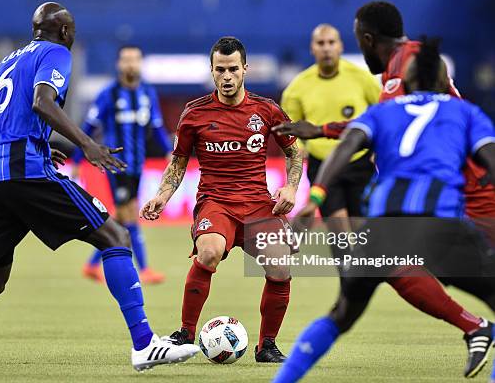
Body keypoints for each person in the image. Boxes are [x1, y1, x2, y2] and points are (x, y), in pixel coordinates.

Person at [0, 2, 199, 373]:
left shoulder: (5, 63)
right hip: (25, 170)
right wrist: (87, 144)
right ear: (66, 32)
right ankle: (144, 344)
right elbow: (42, 101)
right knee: (116, 236)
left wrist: (34, 143)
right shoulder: (56, 52)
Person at [275, 0, 495, 368]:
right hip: (447, 190)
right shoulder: (402, 63)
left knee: (376, 274)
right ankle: (474, 326)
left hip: (464, 192)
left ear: (365, 38)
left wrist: (315, 187)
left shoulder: (405, 64)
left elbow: (376, 124)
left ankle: (475, 326)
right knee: (384, 266)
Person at [140, 36, 303, 363]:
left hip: (259, 205)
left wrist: (291, 188)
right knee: (210, 252)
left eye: (232, 69)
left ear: (245, 69)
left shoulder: (267, 110)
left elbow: (293, 153)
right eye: (220, 70)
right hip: (216, 203)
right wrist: (162, 195)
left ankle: (267, 346)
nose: (226, 76)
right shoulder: (195, 114)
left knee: (281, 267)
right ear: (211, 71)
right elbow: (178, 162)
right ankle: (185, 334)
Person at [73, 45, 171, 284]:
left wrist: (171, 152)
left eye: (135, 59)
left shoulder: (148, 92)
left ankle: (92, 264)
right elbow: (88, 128)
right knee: (130, 215)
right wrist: (77, 159)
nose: (131, 64)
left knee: (121, 216)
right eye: (126, 60)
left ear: (140, 63)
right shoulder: (109, 93)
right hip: (116, 164)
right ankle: (145, 268)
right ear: (119, 64)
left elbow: (157, 127)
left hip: (137, 164)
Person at [281, 23, 380, 239]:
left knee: (365, 236)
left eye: (331, 42)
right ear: (312, 49)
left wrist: (377, 150)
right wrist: (299, 151)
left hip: (359, 164)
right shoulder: (297, 88)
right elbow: (290, 132)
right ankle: (347, 272)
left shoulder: (363, 78)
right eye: (321, 43)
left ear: (341, 46)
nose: (326, 48)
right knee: (340, 237)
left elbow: (383, 114)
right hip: (323, 168)